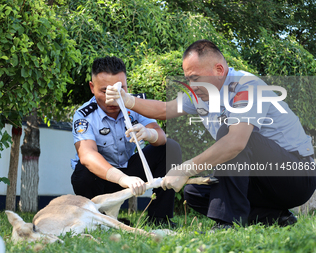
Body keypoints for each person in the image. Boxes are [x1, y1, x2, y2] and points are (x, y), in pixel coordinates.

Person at [106, 40, 316, 228]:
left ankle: (228, 223)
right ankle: (273, 216)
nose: (191, 85)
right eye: (188, 79)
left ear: (218, 69)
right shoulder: (201, 94)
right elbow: (164, 109)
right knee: (196, 193)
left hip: (295, 175)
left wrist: (186, 168)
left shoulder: (247, 86)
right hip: (261, 181)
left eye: (195, 77)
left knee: (231, 131)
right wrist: (128, 100)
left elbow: (236, 142)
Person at [70, 56, 181, 227]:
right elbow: (87, 155)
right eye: (105, 91)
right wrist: (122, 179)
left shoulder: (134, 104)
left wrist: (150, 133)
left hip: (131, 172)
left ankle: (160, 219)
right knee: (82, 172)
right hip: (101, 179)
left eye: (119, 89)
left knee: (170, 147)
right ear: (92, 88)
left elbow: (161, 137)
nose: (113, 99)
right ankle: (98, 220)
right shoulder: (84, 115)